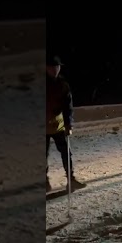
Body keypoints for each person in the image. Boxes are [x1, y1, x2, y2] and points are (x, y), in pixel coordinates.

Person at [46, 55, 86, 192]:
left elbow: (68, 107)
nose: (55, 70)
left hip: (58, 126)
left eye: (57, 67)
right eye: (52, 67)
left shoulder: (63, 85)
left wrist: (69, 125)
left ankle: (71, 180)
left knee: (66, 153)